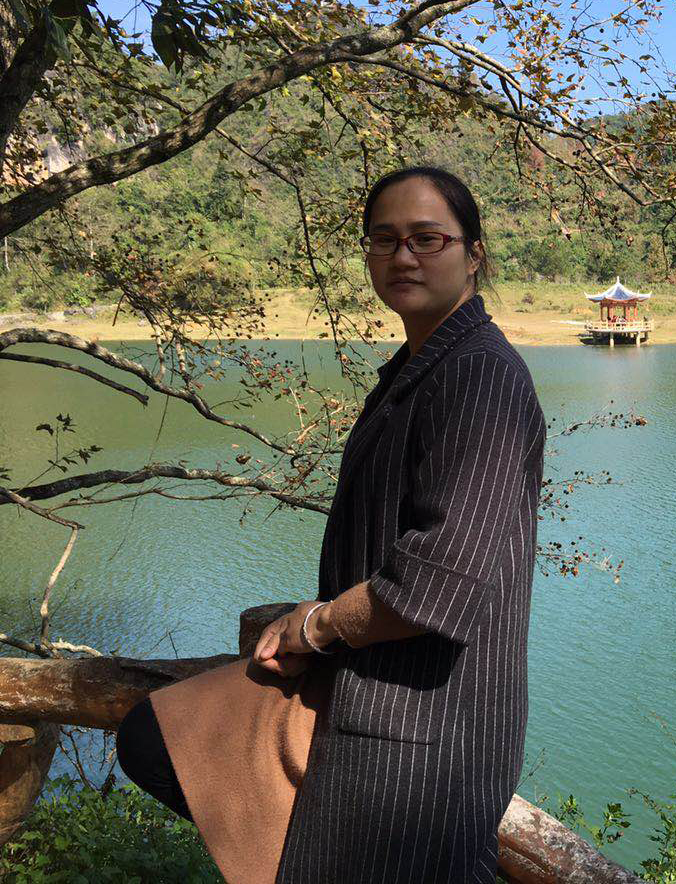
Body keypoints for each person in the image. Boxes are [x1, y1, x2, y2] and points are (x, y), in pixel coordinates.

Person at [116, 165, 546, 883]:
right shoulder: (420, 367)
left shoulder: (480, 375)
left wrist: (315, 625)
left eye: (427, 238)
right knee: (159, 738)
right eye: (384, 239)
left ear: (473, 254)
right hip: (379, 696)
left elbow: (439, 581)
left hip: (428, 725)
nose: (403, 256)